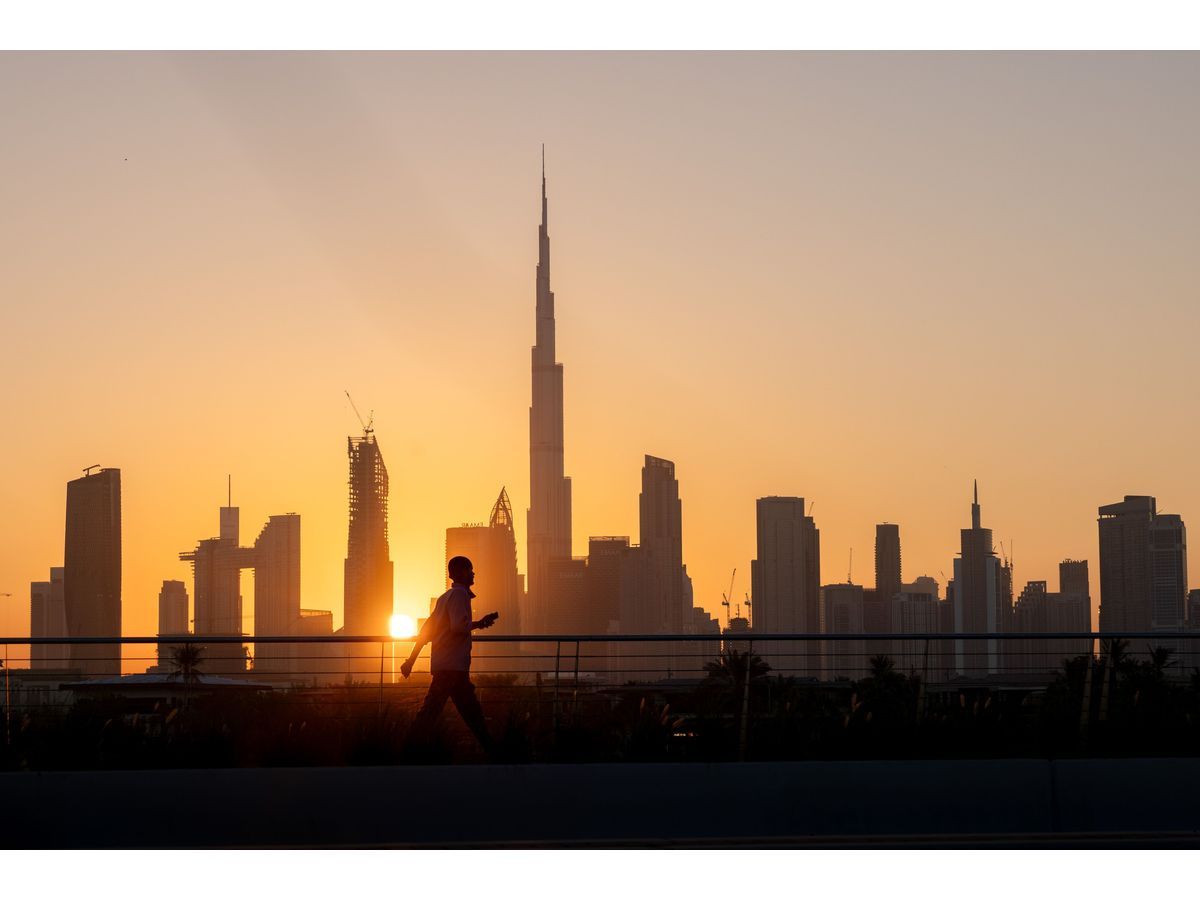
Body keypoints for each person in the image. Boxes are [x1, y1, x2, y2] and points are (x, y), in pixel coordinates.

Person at [400, 555, 499, 757]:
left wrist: (411, 661)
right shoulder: (460, 596)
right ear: (461, 572)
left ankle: (407, 753)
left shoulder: (444, 598)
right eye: (469, 569)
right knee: (452, 713)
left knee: (456, 713)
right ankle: (407, 753)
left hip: (445, 666)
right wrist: (480, 624)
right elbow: (458, 626)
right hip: (453, 668)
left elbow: (426, 632)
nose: (473, 573)